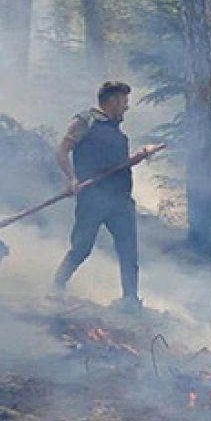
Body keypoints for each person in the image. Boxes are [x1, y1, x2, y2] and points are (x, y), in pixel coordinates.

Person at [50, 81, 155, 313]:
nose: (126, 106)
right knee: (82, 247)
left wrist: (139, 157)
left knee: (128, 252)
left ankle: (130, 301)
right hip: (92, 198)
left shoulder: (118, 134)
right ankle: (56, 287)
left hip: (120, 200)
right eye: (124, 101)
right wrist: (72, 179)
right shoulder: (86, 121)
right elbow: (62, 151)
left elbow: (118, 166)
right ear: (112, 101)